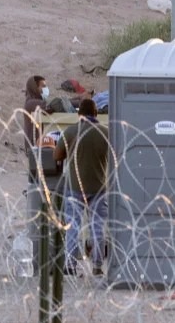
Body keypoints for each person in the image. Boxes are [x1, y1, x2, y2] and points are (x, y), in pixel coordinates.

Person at [53, 98, 110, 276]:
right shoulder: (105, 133)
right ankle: (98, 266)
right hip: (99, 185)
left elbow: (56, 155)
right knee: (97, 227)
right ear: (95, 113)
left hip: (75, 187)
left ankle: (70, 265)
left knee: (73, 226)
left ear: (79, 114)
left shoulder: (70, 132)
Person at [22, 75, 48, 148]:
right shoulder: (30, 103)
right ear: (35, 88)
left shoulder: (37, 101)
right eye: (42, 86)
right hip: (33, 145)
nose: (45, 89)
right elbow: (51, 105)